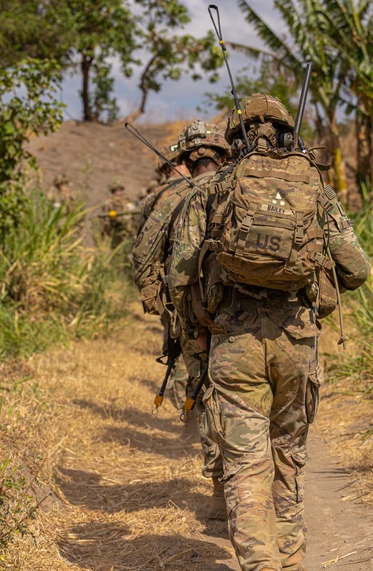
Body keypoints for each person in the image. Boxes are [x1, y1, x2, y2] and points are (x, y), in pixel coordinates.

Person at [167, 94, 370, 571]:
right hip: (297, 341)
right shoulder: (316, 191)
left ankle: (260, 564)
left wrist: (198, 326)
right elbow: (357, 269)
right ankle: (292, 559)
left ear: (234, 140)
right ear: (287, 135)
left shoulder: (211, 190)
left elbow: (179, 274)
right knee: (289, 454)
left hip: (233, 341)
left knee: (244, 459)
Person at [130, 119, 231, 519]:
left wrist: (166, 308)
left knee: (208, 395)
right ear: (224, 155)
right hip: (253, 317)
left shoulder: (172, 197)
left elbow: (142, 259)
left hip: (197, 319)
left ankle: (221, 494)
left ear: (187, 159)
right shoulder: (246, 185)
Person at [99, 179, 136, 247]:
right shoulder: (109, 202)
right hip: (115, 229)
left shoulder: (127, 201)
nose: (119, 193)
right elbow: (105, 218)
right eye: (117, 191)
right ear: (113, 192)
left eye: (120, 190)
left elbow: (133, 213)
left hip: (127, 229)